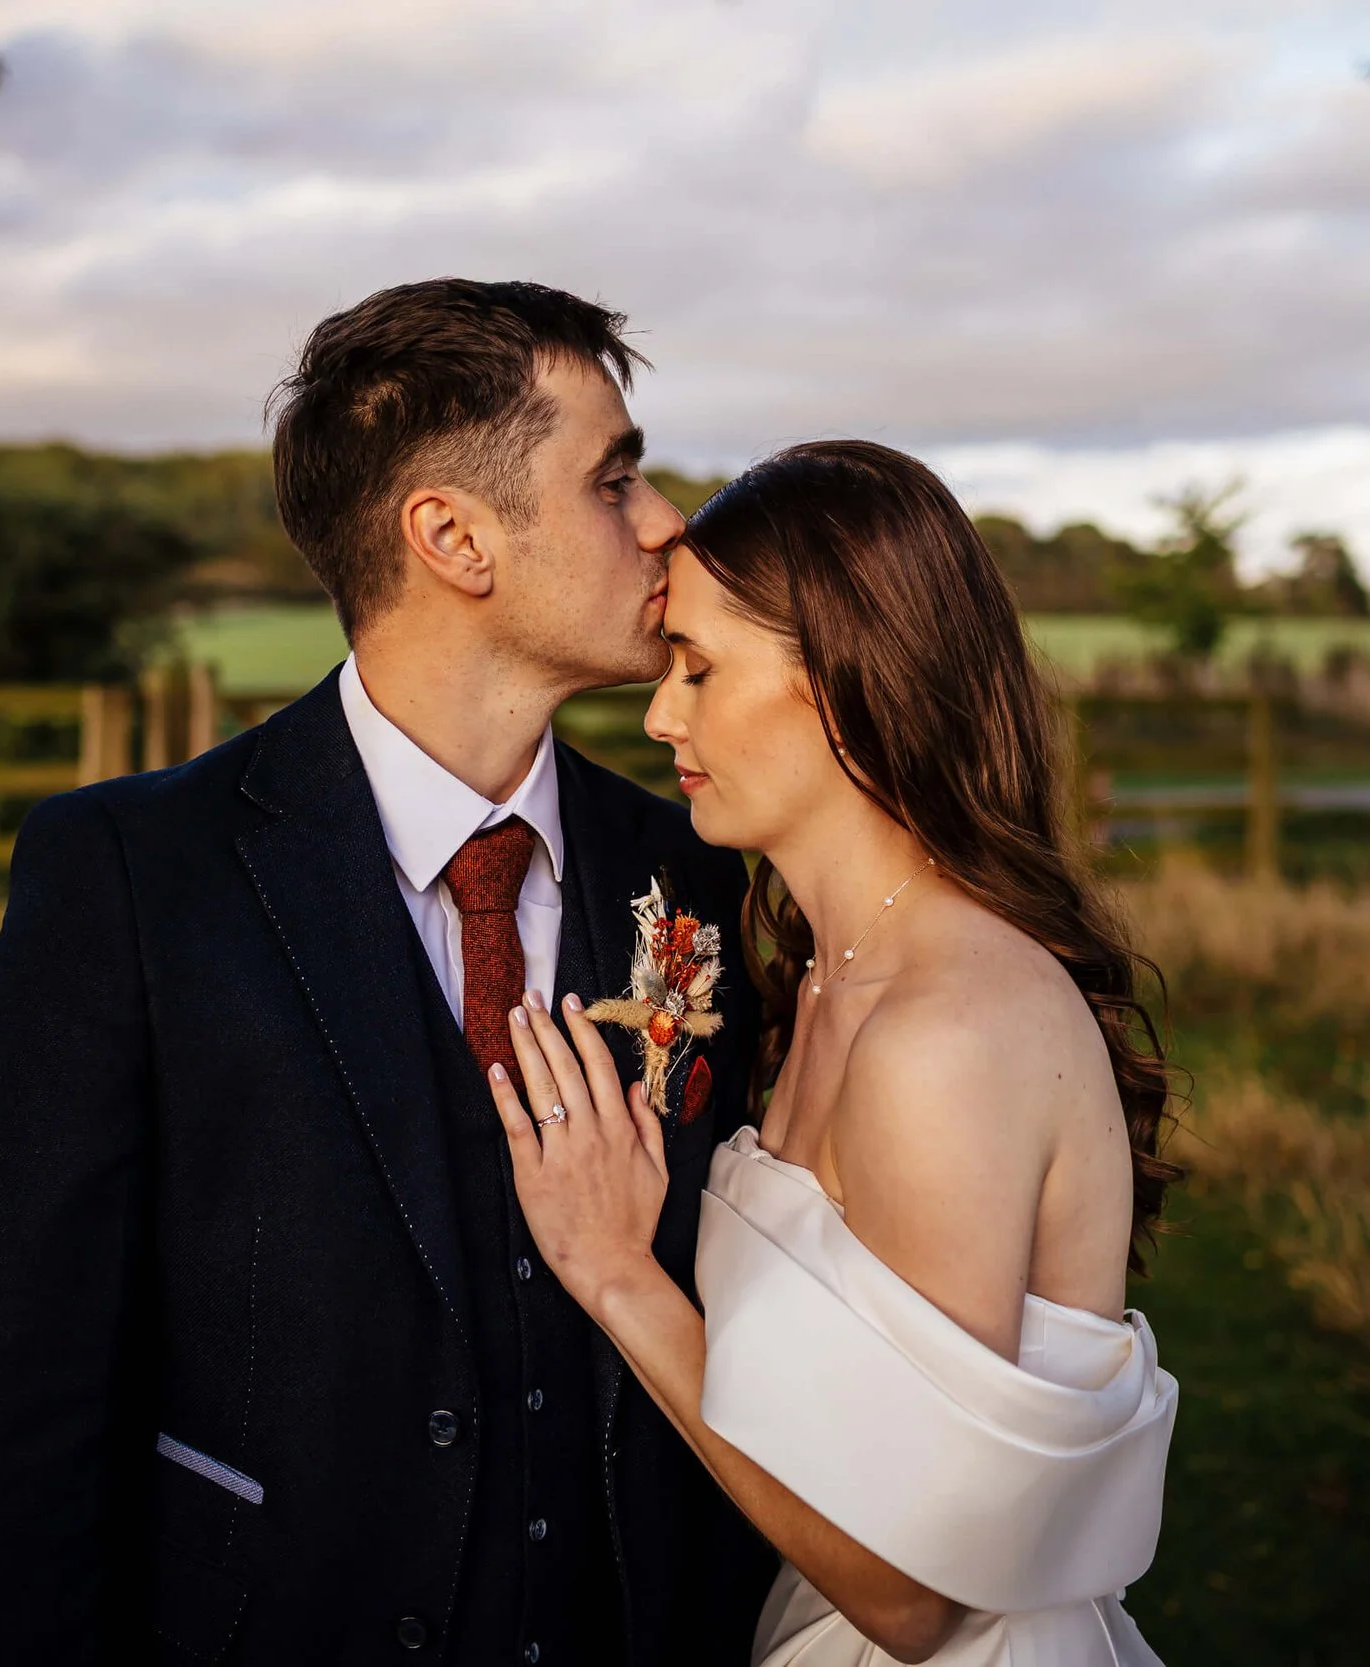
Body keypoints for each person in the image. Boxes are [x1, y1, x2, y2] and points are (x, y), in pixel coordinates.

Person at [0, 279, 777, 1665]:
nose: (669, 519)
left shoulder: (699, 874)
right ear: (452, 536)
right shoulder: (135, 874)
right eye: (614, 477)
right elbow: (17, 1402)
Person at [485, 441, 1182, 1666]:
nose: (658, 714)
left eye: (700, 668)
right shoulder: (820, 980)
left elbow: (914, 1595)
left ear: (851, 686)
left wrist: (615, 1273)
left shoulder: (942, 1034)